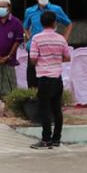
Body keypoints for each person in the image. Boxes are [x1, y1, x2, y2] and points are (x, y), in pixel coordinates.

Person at [29, 10, 71, 149]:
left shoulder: (36, 38)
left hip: (44, 78)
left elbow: (33, 58)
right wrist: (56, 59)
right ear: (55, 23)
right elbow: (67, 57)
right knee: (57, 110)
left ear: (41, 23)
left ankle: (46, 139)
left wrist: (42, 60)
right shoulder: (61, 39)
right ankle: (56, 139)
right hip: (57, 78)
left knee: (44, 110)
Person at [23, 0, 73, 88]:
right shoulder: (30, 11)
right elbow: (25, 26)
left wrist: (64, 39)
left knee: (51, 75)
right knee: (32, 76)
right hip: (35, 48)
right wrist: (28, 38)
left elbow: (68, 24)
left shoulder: (56, 9)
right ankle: (33, 99)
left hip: (51, 47)